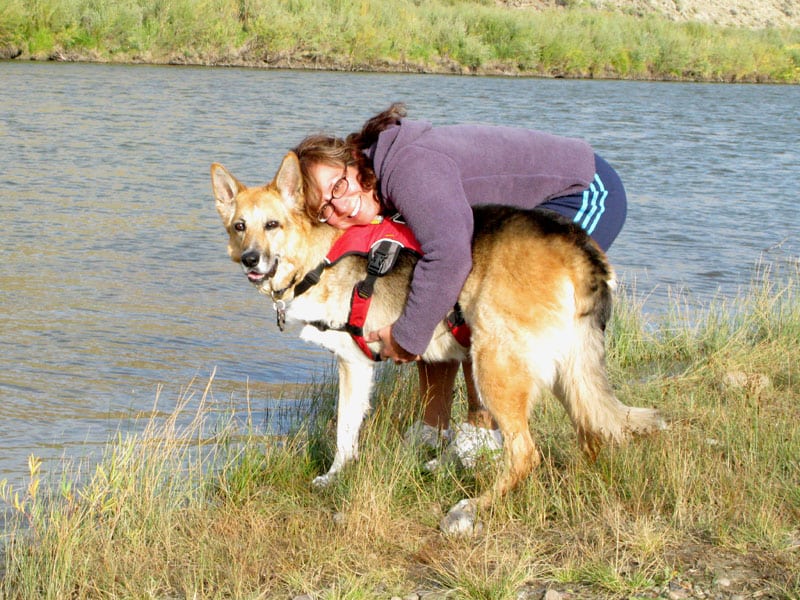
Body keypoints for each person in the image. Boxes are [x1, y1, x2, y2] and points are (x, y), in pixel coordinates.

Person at [291, 102, 627, 465]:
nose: (340, 206)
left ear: (354, 159)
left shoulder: (408, 171)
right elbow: (431, 285)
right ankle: (432, 430)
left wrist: (405, 338)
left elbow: (451, 258)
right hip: (526, 207)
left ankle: (483, 432)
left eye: (338, 185)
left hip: (583, 190)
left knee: (485, 301)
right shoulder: (377, 190)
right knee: (431, 291)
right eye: (323, 209)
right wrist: (413, 325)